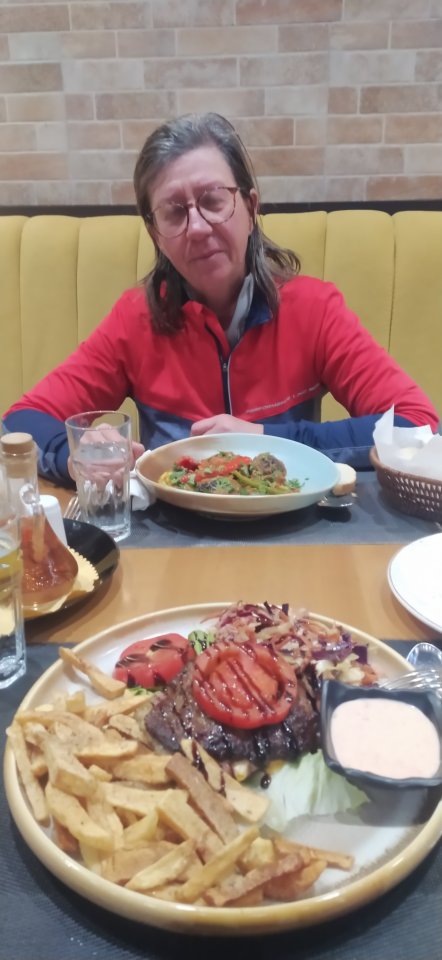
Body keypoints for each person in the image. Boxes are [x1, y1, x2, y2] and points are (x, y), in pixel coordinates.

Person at [2, 112, 439, 483]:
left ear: (251, 208)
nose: (196, 227)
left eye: (213, 200)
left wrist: (268, 439)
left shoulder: (315, 310)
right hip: (171, 539)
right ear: (155, 233)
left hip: (293, 530)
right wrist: (76, 455)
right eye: (174, 212)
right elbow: (20, 421)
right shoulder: (134, 320)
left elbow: (418, 425)